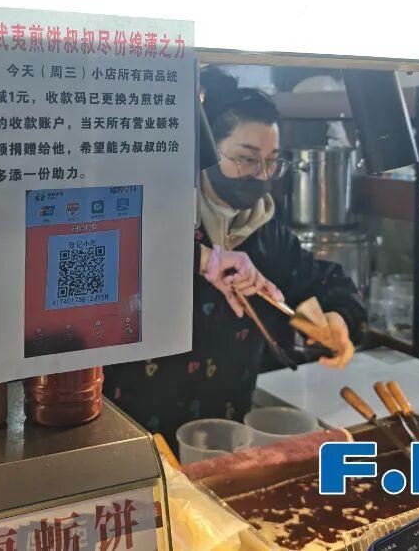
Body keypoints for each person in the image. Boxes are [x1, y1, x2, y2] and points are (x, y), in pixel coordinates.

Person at [105, 68, 365, 447]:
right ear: (208, 152)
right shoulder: (157, 211)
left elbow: (331, 283)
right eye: (245, 159)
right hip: (136, 430)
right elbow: (105, 256)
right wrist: (198, 258)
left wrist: (340, 320)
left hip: (229, 428)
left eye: (271, 162)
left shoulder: (267, 234)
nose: (261, 175)